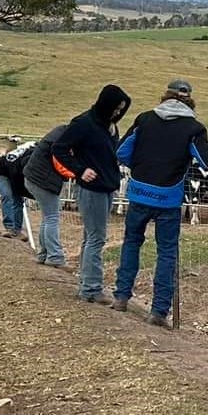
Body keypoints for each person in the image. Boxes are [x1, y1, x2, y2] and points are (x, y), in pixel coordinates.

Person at [112, 79, 208, 328]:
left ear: (165, 97)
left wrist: (141, 167)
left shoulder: (144, 119)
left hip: (138, 193)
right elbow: (206, 160)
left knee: (132, 242)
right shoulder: (193, 128)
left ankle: (121, 296)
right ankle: (158, 311)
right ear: (189, 100)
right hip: (168, 198)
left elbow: (122, 151)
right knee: (166, 252)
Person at [53, 84, 133, 302]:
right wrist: (79, 170)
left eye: (121, 109)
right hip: (91, 188)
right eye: (115, 108)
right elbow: (59, 148)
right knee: (97, 238)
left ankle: (86, 283)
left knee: (91, 236)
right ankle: (91, 288)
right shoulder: (84, 123)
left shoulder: (110, 126)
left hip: (107, 186)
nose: (118, 112)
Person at [22, 124, 71, 267]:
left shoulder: (59, 133)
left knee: (47, 217)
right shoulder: (63, 140)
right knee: (52, 217)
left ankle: (43, 254)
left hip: (33, 177)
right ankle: (55, 255)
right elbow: (61, 164)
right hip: (42, 180)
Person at [0, 136, 33, 241]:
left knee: (18, 199)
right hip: (0, 172)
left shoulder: (32, 159)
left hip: (14, 173)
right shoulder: (20, 163)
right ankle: (9, 227)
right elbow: (17, 180)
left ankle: (17, 229)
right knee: (7, 195)